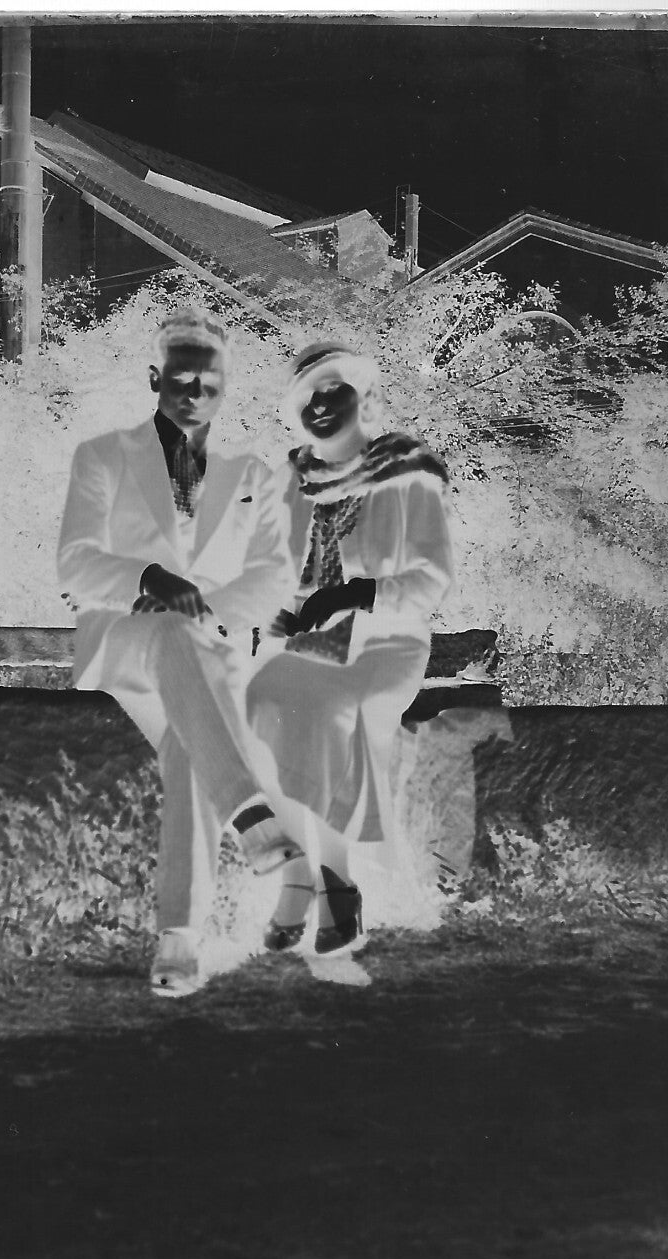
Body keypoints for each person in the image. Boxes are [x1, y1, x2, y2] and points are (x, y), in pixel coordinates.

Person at [58, 307, 302, 997]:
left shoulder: (252, 472)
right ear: (153, 378)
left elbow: (272, 576)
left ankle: (178, 938)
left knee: (187, 744)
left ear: (225, 386)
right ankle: (251, 816)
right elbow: (74, 564)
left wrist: (208, 613)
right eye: (181, 378)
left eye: (209, 380)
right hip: (123, 645)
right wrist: (149, 579)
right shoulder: (101, 457)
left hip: (209, 659)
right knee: (168, 632)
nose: (194, 392)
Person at [246, 341, 456, 957]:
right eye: (305, 396)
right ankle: (300, 877)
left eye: (331, 387)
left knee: (324, 706)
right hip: (308, 646)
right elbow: (274, 577)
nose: (318, 403)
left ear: (359, 395)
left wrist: (359, 593)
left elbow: (432, 578)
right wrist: (271, 613)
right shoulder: (290, 480)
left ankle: (334, 883)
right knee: (258, 701)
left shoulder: (406, 468)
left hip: (384, 643)